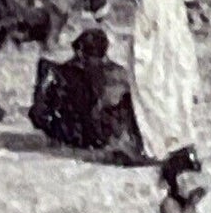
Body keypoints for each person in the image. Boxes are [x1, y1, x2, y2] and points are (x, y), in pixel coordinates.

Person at [29, 27, 141, 157]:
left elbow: (38, 114)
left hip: (79, 135)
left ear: (80, 52)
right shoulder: (119, 73)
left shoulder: (69, 72)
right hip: (104, 136)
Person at [129, 0, 200, 161]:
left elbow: (142, 35)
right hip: (176, 61)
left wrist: (138, 59)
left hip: (155, 62)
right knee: (176, 103)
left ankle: (159, 148)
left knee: (156, 104)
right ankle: (180, 145)